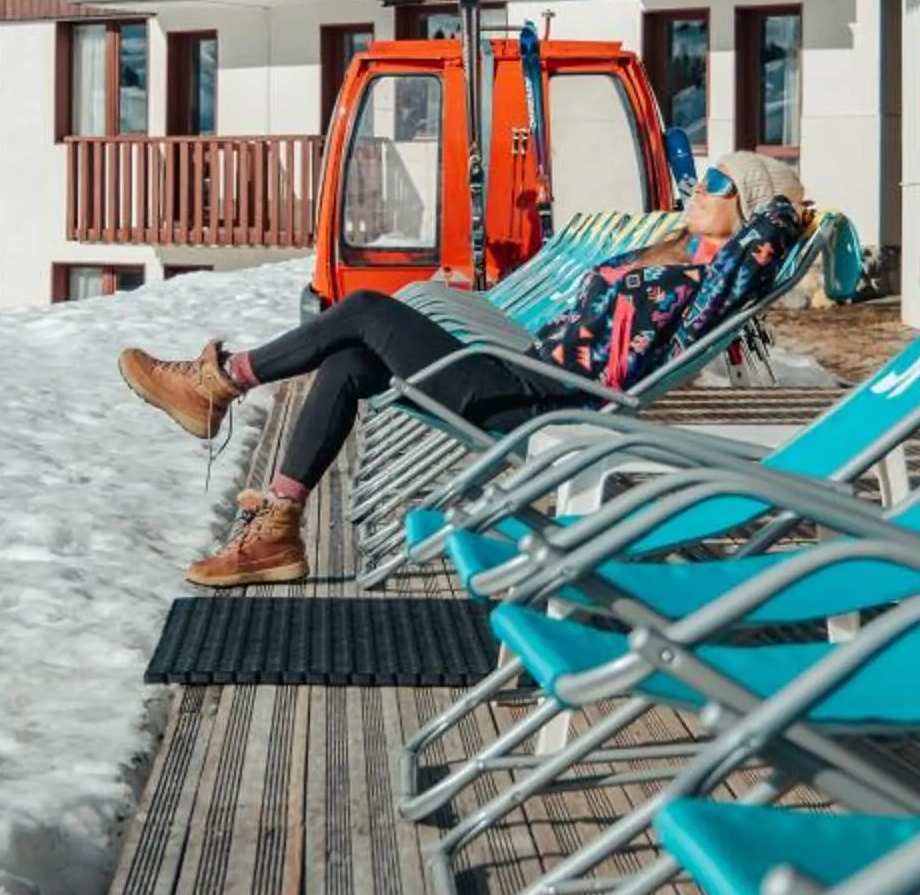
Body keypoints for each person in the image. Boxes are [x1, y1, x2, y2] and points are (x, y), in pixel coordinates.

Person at [121, 152, 809, 587]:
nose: (698, 185)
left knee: (362, 307)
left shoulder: (710, 279)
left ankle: (222, 384)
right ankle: (276, 529)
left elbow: (765, 241)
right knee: (352, 357)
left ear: (744, 209)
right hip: (523, 375)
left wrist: (779, 211)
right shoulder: (676, 258)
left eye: (718, 183)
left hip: (541, 400)